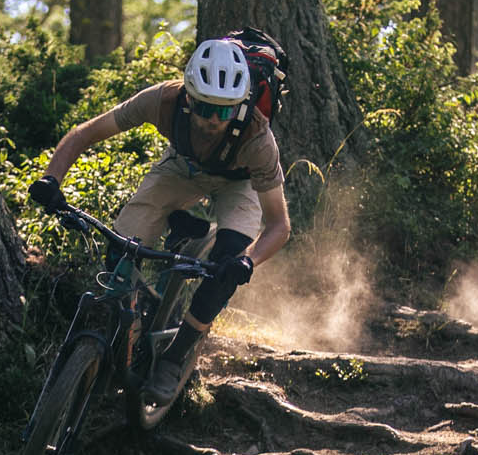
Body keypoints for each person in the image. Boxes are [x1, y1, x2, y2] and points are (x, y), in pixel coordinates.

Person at [30, 36, 291, 404]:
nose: (212, 120)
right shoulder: (162, 100)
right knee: (121, 250)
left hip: (239, 182)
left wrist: (249, 260)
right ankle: (130, 332)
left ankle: (176, 356)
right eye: (204, 108)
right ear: (187, 96)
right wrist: (50, 180)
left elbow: (279, 225)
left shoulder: (257, 138)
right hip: (181, 168)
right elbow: (85, 134)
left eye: (224, 111)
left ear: (240, 105)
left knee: (225, 266)